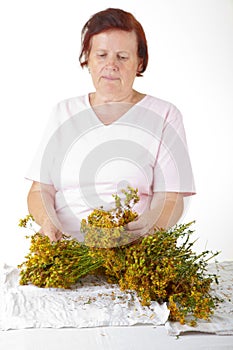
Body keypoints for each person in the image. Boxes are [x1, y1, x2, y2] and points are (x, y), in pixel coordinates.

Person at [26, 8, 195, 243]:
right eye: (102, 55)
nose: (111, 65)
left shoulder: (165, 115)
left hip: (131, 253)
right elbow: (39, 190)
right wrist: (48, 223)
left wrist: (146, 230)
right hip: (67, 252)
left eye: (122, 57)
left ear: (139, 62)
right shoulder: (63, 112)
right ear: (88, 59)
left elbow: (171, 197)